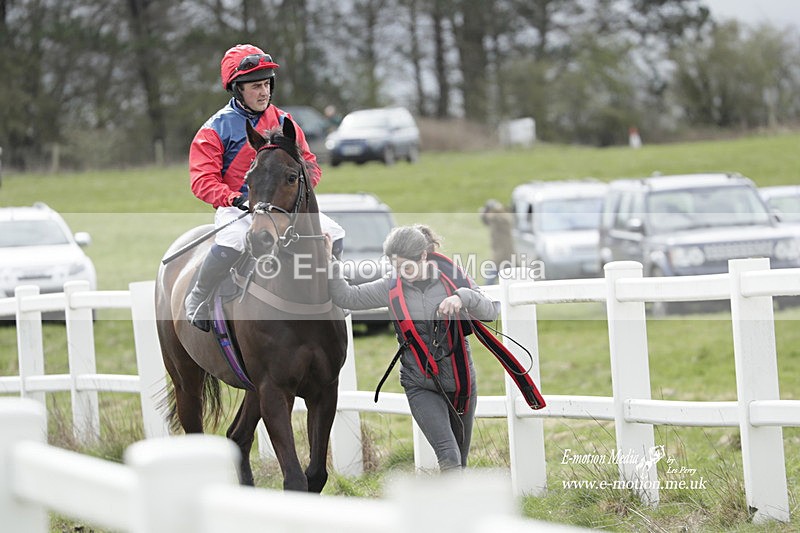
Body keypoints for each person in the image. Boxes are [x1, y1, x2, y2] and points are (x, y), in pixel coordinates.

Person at [185, 43, 342, 331]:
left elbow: (309, 163)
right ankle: (198, 296)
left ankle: (334, 293)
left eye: (267, 84)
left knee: (335, 232)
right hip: (240, 208)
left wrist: (296, 192)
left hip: (283, 206)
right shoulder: (214, 130)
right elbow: (202, 181)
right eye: (255, 86)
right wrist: (233, 198)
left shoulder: (285, 121)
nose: (264, 92)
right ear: (237, 89)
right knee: (233, 239)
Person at [325, 224, 498, 471]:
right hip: (420, 383)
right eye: (396, 268)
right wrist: (330, 260)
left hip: (461, 381)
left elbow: (490, 311)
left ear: (424, 256)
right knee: (448, 455)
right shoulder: (390, 286)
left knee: (460, 459)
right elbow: (348, 297)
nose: (402, 274)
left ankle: (454, 508)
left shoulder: (453, 279)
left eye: (407, 267)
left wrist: (462, 297)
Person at [479, 199, 515, 284]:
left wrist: (489, 209)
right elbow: (485, 219)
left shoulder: (502, 218)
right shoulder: (498, 219)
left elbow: (486, 216)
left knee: (489, 282)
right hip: (502, 255)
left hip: (503, 256)